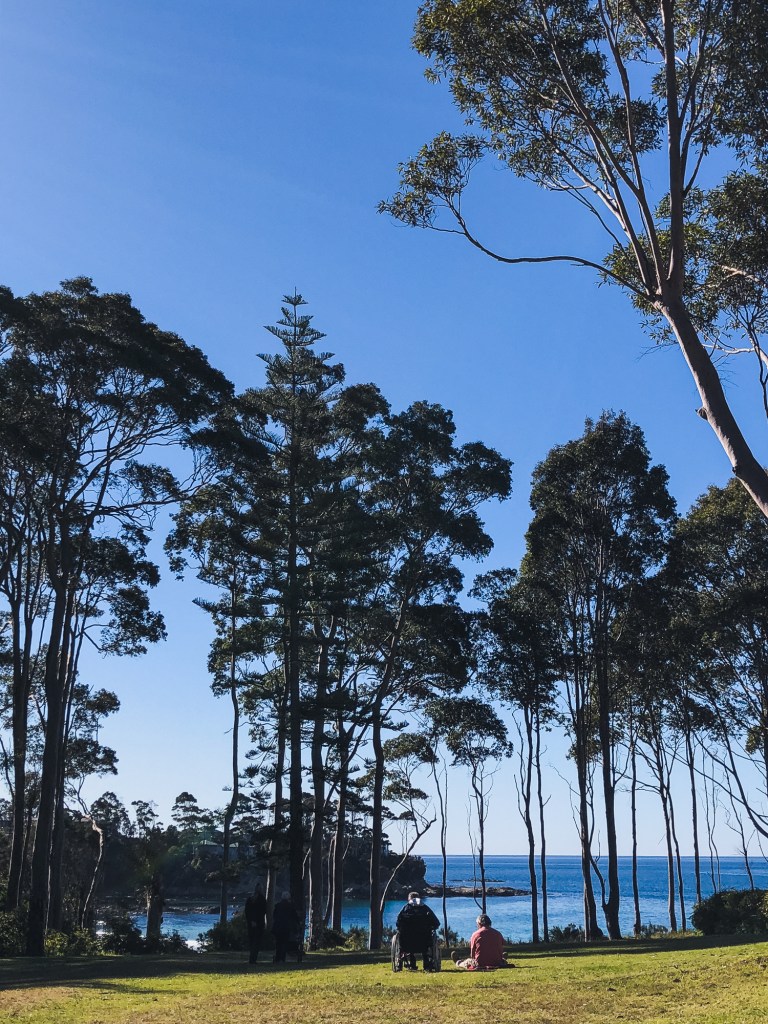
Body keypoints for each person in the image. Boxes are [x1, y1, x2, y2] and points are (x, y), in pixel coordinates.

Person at [395, 891, 440, 971]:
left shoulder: (405, 908)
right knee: (425, 943)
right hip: (424, 941)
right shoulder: (425, 908)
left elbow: (398, 922)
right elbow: (436, 922)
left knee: (407, 937)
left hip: (407, 942)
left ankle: (412, 964)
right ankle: (426, 964)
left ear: (409, 899)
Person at [271, 891, 301, 963]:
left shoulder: (277, 906)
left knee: (278, 943)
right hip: (286, 927)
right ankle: (282, 958)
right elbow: (295, 917)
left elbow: (274, 916)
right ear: (288, 898)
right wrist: (298, 924)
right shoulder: (290, 906)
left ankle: (278, 958)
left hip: (278, 927)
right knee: (284, 943)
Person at [244, 882, 267, 964]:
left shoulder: (250, 899)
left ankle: (251, 958)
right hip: (259, 922)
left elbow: (247, 911)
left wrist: (250, 920)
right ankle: (253, 959)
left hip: (251, 923)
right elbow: (263, 911)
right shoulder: (262, 899)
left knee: (252, 940)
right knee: (257, 941)